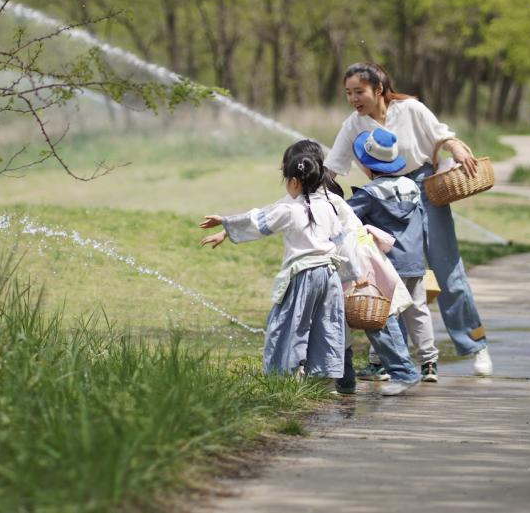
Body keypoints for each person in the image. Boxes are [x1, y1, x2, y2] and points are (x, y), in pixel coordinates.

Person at [324, 62, 493, 376]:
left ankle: (475, 345)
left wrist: (457, 150)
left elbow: (443, 136)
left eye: (358, 91)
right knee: (394, 275)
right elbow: (332, 167)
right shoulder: (353, 124)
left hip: (426, 190)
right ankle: (390, 360)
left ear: (378, 89)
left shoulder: (411, 109)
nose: (353, 99)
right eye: (348, 93)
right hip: (387, 202)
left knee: (448, 271)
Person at [198, 140, 354, 385]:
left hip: (304, 275)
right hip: (329, 275)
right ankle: (322, 377)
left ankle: (286, 376)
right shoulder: (328, 205)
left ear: (294, 182)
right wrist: (352, 275)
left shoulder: (290, 210)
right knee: (325, 323)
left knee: (289, 324)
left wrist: (226, 222)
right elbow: (342, 241)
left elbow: (259, 223)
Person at [347, 126, 440, 383]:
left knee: (384, 315)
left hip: (386, 265)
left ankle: (381, 364)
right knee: (418, 311)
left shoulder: (369, 194)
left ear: (368, 165)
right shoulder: (411, 188)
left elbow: (343, 216)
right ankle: (429, 362)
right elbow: (422, 223)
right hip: (414, 261)